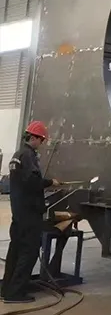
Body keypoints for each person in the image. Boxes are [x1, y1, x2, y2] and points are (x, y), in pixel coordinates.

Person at [1, 121, 60, 304]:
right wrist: (50, 182)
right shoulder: (28, 155)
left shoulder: (16, 155)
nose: (41, 144)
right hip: (29, 214)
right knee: (29, 252)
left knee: (15, 251)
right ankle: (16, 293)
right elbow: (32, 182)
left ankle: (6, 289)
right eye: (41, 140)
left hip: (18, 213)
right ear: (34, 138)